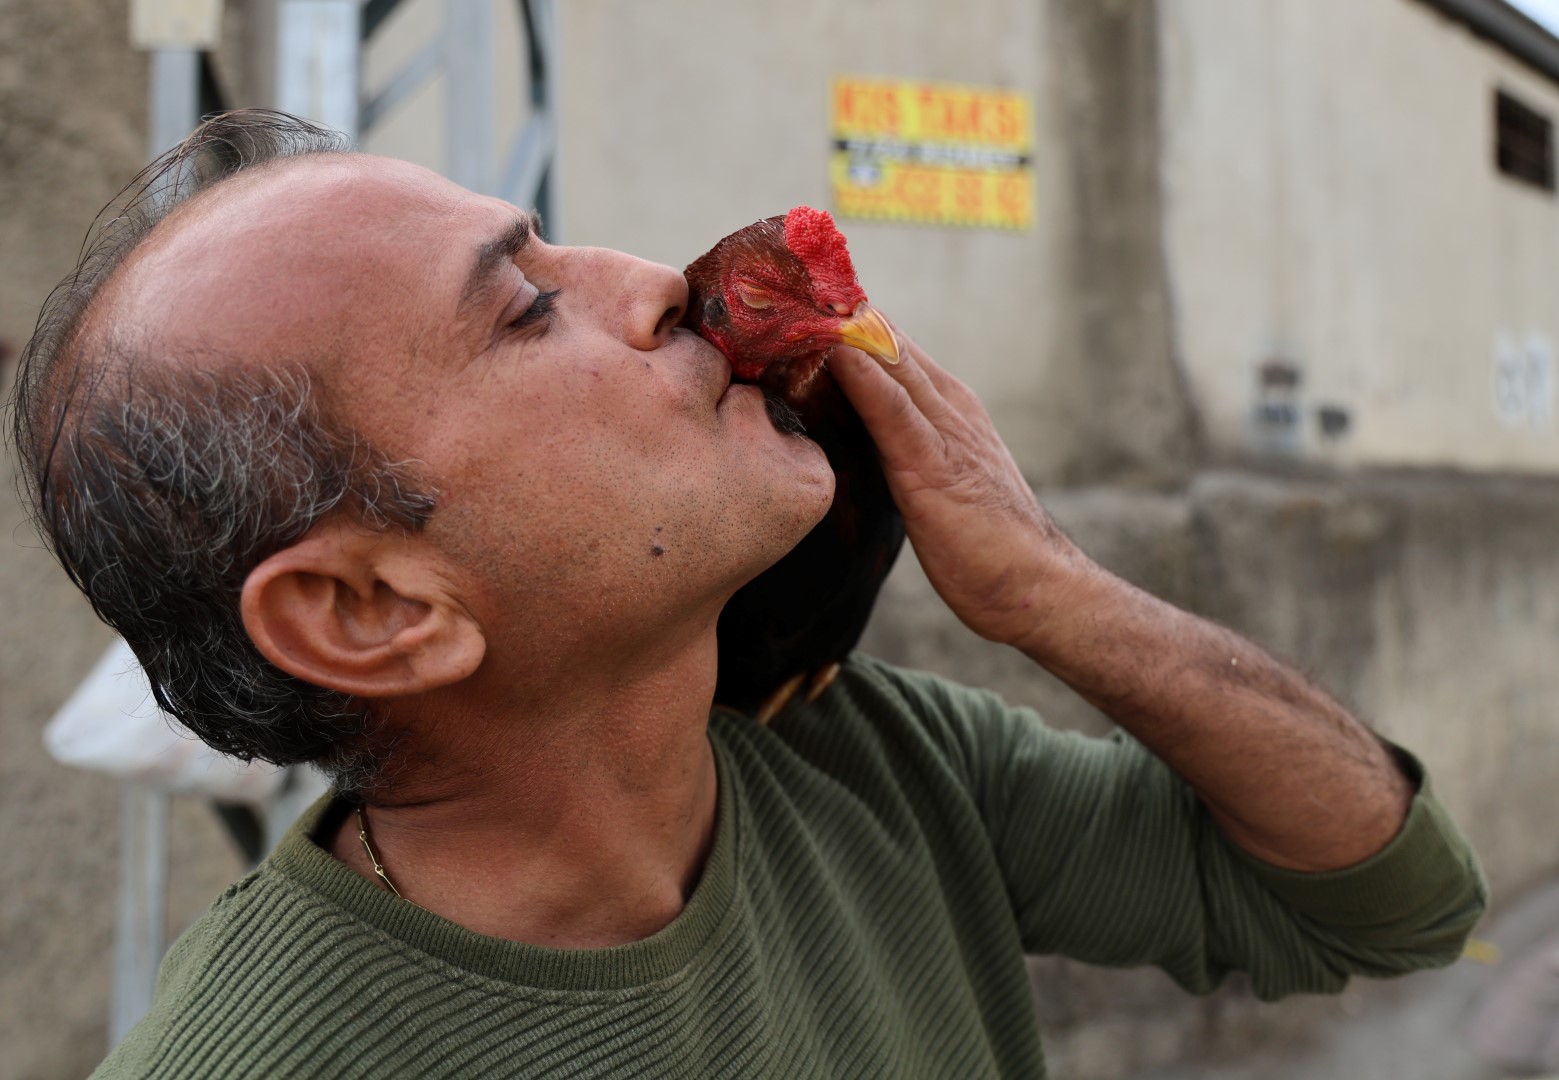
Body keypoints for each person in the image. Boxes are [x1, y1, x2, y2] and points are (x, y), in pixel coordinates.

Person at [11, 111, 1485, 1079]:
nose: (660, 281)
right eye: (526, 305)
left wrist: (1049, 593)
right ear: (373, 610)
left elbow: (1387, 903)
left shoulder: (867, 762)